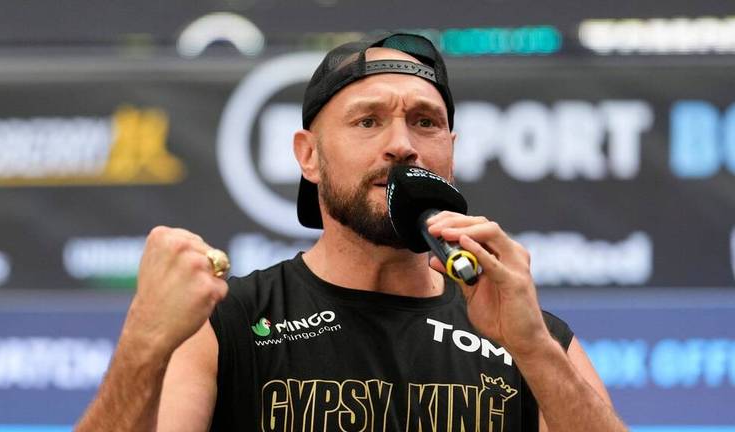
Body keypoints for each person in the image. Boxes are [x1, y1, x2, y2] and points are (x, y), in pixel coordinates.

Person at [76, 33, 626, 431]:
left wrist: (534, 348)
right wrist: (142, 346)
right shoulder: (227, 323)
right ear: (308, 156)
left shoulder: (526, 334)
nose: (402, 144)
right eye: (368, 121)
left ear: (451, 154)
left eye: (425, 122)